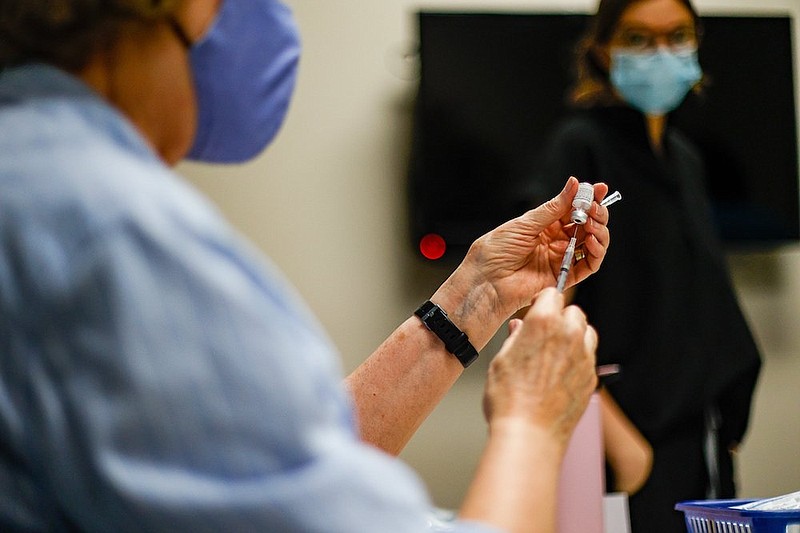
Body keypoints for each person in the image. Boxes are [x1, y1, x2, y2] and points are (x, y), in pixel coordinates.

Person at [0, 1, 613, 531]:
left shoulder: (34, 174)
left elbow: (267, 469)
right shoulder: (111, 230)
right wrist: (533, 420)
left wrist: (478, 291)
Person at [531, 0, 762, 531]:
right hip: (627, 449)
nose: (661, 53)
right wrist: (621, 448)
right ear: (601, 50)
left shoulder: (683, 157)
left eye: (677, 35)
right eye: (638, 38)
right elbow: (544, 306)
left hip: (699, 443)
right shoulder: (582, 146)